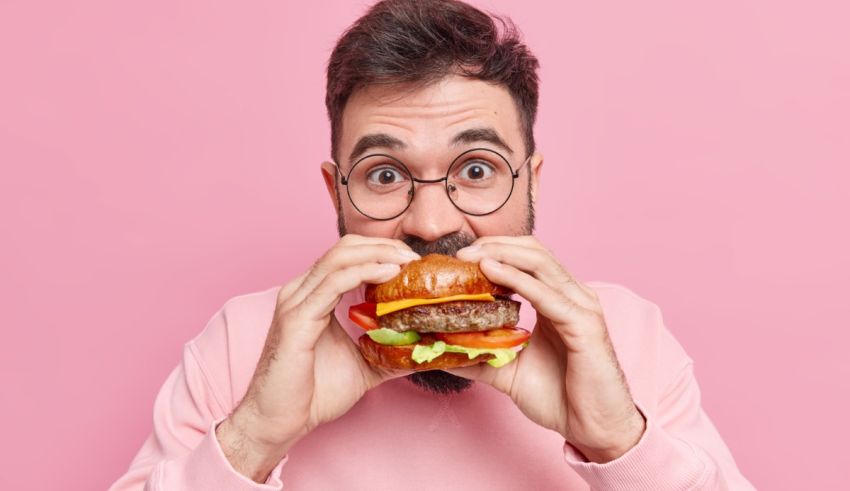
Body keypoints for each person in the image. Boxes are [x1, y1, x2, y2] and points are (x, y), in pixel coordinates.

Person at [110, 0, 755, 489]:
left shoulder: (623, 336)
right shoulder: (243, 342)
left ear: (530, 182)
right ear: (336, 193)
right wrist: (253, 438)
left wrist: (619, 442)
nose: (428, 221)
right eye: (384, 175)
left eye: (476, 169)